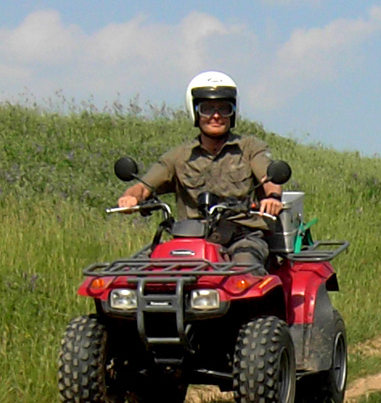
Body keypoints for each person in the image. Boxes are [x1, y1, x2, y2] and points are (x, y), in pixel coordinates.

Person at [116, 71, 285, 270]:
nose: (215, 116)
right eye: (207, 109)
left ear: (233, 112)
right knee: (135, 272)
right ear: (195, 112)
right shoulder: (179, 156)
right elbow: (143, 187)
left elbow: (268, 177)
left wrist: (272, 197)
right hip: (190, 239)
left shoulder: (249, 148)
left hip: (243, 236)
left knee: (245, 269)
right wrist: (131, 198)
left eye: (224, 108)